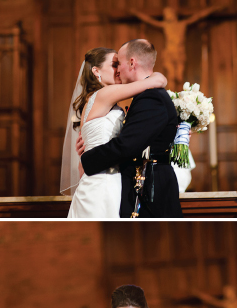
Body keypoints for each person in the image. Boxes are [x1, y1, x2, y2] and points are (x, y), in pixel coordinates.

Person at [77, 39, 183, 217]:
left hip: (121, 179)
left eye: (118, 63)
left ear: (132, 63)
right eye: (114, 65)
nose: (117, 69)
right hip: (106, 179)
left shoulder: (149, 96)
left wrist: (86, 159)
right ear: (96, 71)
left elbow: (127, 144)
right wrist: (157, 78)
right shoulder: (109, 94)